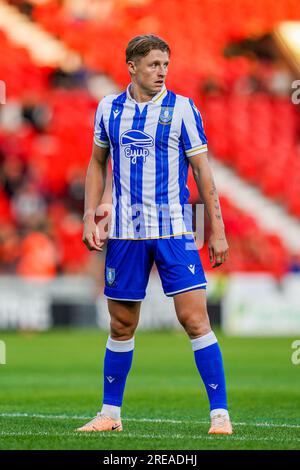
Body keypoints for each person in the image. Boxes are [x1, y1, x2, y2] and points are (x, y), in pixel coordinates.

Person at [78, 34, 232, 435]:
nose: (162, 72)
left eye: (166, 64)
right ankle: (110, 414)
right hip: (125, 234)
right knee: (121, 325)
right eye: (153, 65)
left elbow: (203, 172)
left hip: (175, 230)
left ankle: (220, 415)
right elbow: (96, 164)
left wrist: (216, 229)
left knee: (195, 320)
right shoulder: (108, 108)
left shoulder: (182, 109)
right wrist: (88, 217)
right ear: (131, 65)